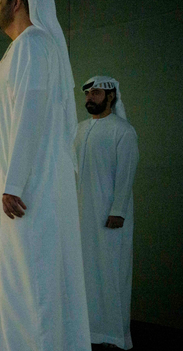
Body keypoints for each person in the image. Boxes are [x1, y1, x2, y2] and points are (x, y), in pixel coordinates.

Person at [0, 0, 91, 350]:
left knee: (31, 285)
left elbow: (30, 113)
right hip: (18, 189)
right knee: (15, 284)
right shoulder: (19, 49)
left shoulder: (33, 45)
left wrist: (13, 183)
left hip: (28, 193)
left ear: (19, 2)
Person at [76, 76, 139, 350]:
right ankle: (88, 332)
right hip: (81, 216)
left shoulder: (122, 131)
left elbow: (126, 173)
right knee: (85, 274)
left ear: (111, 96)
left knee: (111, 274)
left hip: (110, 218)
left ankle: (113, 335)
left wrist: (118, 210)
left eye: (96, 92)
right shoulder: (78, 130)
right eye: (88, 93)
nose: (90, 97)